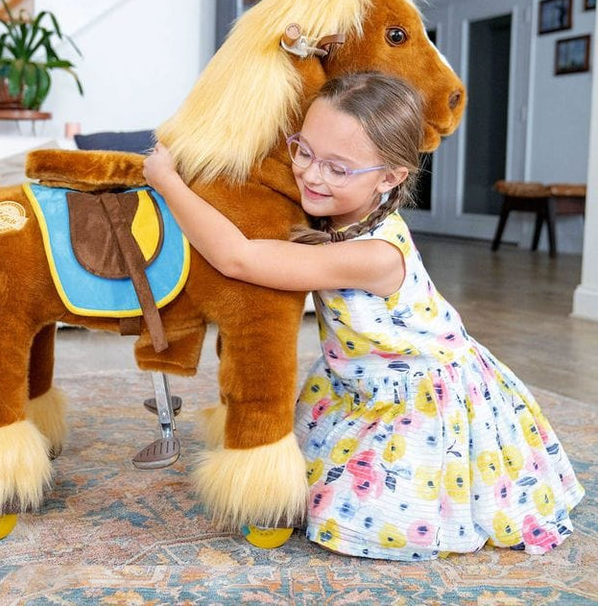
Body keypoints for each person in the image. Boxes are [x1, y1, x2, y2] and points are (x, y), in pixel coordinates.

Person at [143, 71, 584, 561]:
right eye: (304, 151)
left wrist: (167, 181)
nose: (312, 175)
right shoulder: (335, 212)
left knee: (361, 510)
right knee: (305, 469)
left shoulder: (374, 254)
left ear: (390, 176)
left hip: (420, 394)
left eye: (337, 168)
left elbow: (239, 258)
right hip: (358, 379)